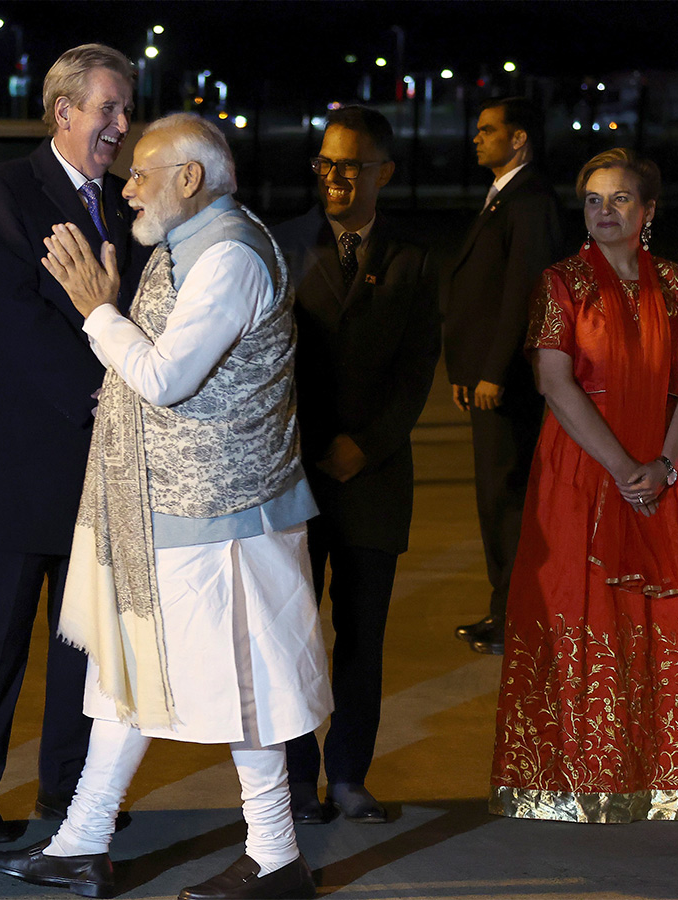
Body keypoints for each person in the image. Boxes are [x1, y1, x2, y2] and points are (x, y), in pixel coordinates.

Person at [0, 113, 330, 900]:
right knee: (127, 670)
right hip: (169, 511)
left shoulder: (230, 257)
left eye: (142, 172)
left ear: (191, 178)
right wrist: (104, 308)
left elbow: (166, 378)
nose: (126, 186)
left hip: (223, 519)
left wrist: (97, 309)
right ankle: (82, 842)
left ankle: (274, 855)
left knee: (248, 687)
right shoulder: (186, 246)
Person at [0, 43, 145, 842]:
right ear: (63, 111)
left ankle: (67, 787)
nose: (121, 125)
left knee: (84, 640)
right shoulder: (4, 192)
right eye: (108, 109)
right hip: (22, 456)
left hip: (101, 463)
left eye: (126, 109)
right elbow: (7, 312)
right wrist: (102, 390)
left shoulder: (128, 203)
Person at [491, 149, 678, 823]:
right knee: (582, 611)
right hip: (582, 467)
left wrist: (662, 464)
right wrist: (622, 468)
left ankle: (664, 779)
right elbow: (554, 383)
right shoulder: (563, 283)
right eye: (594, 200)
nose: (605, 211)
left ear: (649, 211)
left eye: (621, 199)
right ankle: (577, 780)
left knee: (664, 618)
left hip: (667, 466)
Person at [273, 106, 439, 824]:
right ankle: (295, 782)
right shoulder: (281, 246)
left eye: (351, 165)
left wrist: (365, 443)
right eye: (325, 163)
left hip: (373, 479)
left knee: (361, 642)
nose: (335, 177)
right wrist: (306, 445)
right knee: (292, 637)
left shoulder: (415, 256)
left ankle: (349, 777)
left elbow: (418, 367)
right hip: (294, 476)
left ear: (384, 173)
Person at [444, 97, 564, 655]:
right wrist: (468, 370)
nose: (477, 138)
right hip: (488, 379)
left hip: (508, 382)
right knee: (495, 499)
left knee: (508, 499)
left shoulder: (530, 200)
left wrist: (493, 371)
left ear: (518, 139)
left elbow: (523, 292)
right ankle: (505, 611)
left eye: (488, 130)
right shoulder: (504, 198)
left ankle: (519, 619)